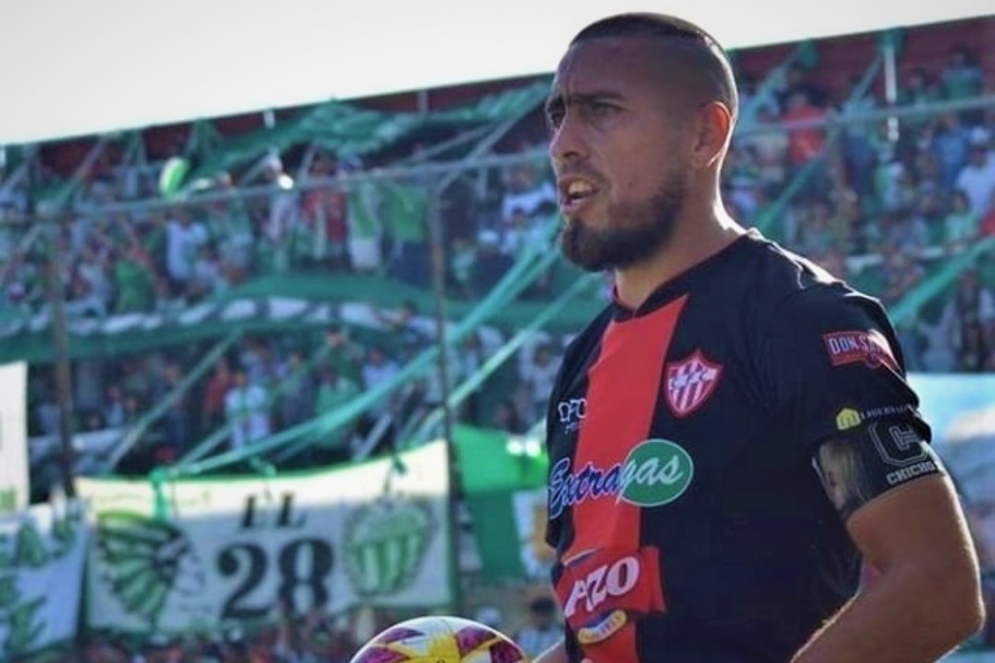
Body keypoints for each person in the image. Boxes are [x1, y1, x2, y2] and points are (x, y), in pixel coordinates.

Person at [535, 13, 984, 663]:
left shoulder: (799, 318)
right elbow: (606, 633)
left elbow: (936, 583)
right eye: (557, 115)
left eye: (600, 110)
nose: (562, 144)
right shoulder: (582, 358)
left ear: (703, 133)